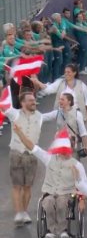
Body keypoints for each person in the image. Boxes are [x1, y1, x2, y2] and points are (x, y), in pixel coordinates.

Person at [12, 125, 87, 238]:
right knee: (48, 202)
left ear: (71, 148)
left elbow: (83, 185)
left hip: (67, 194)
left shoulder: (77, 165)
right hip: (50, 192)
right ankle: (50, 230)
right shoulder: (48, 158)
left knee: (62, 203)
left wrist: (82, 201)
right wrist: (20, 133)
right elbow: (31, 146)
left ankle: (63, 230)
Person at [4, 93, 42, 224]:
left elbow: (55, 114)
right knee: (17, 186)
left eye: (34, 100)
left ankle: (24, 212)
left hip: (31, 156)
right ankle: (18, 213)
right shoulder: (14, 114)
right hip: (16, 154)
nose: (34, 102)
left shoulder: (40, 116)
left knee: (27, 187)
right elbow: (3, 106)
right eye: (30, 100)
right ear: (22, 103)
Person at [41, 93, 87, 157]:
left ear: (69, 101)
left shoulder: (77, 114)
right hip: (61, 145)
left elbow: (83, 132)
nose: (60, 101)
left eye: (62, 99)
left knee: (74, 164)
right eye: (60, 99)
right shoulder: (57, 113)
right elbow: (43, 117)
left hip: (73, 146)